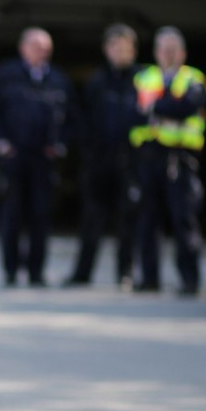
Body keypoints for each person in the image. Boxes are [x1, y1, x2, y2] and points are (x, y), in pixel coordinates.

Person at [0, 27, 74, 288]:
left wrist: (60, 144)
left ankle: (36, 272)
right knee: (11, 216)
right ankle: (11, 271)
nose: (41, 50)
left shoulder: (58, 79)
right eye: (35, 45)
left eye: (45, 46)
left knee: (41, 216)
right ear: (23, 48)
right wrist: (1, 143)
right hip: (13, 158)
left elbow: (73, 118)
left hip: (44, 160)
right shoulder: (5, 75)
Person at [130, 26, 206, 296]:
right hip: (149, 156)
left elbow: (187, 108)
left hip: (181, 158)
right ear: (156, 52)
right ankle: (149, 278)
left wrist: (156, 107)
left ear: (182, 53)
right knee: (147, 220)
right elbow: (134, 113)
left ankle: (189, 281)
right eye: (163, 49)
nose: (167, 54)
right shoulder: (144, 78)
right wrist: (166, 108)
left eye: (172, 49)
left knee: (183, 220)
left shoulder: (194, 79)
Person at [64, 24, 141, 289]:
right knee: (90, 220)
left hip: (130, 162)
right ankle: (82, 274)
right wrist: (88, 152)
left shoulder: (143, 80)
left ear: (133, 50)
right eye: (115, 47)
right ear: (106, 50)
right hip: (99, 162)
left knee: (127, 222)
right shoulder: (96, 82)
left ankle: (125, 274)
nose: (120, 53)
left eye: (125, 48)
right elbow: (82, 120)